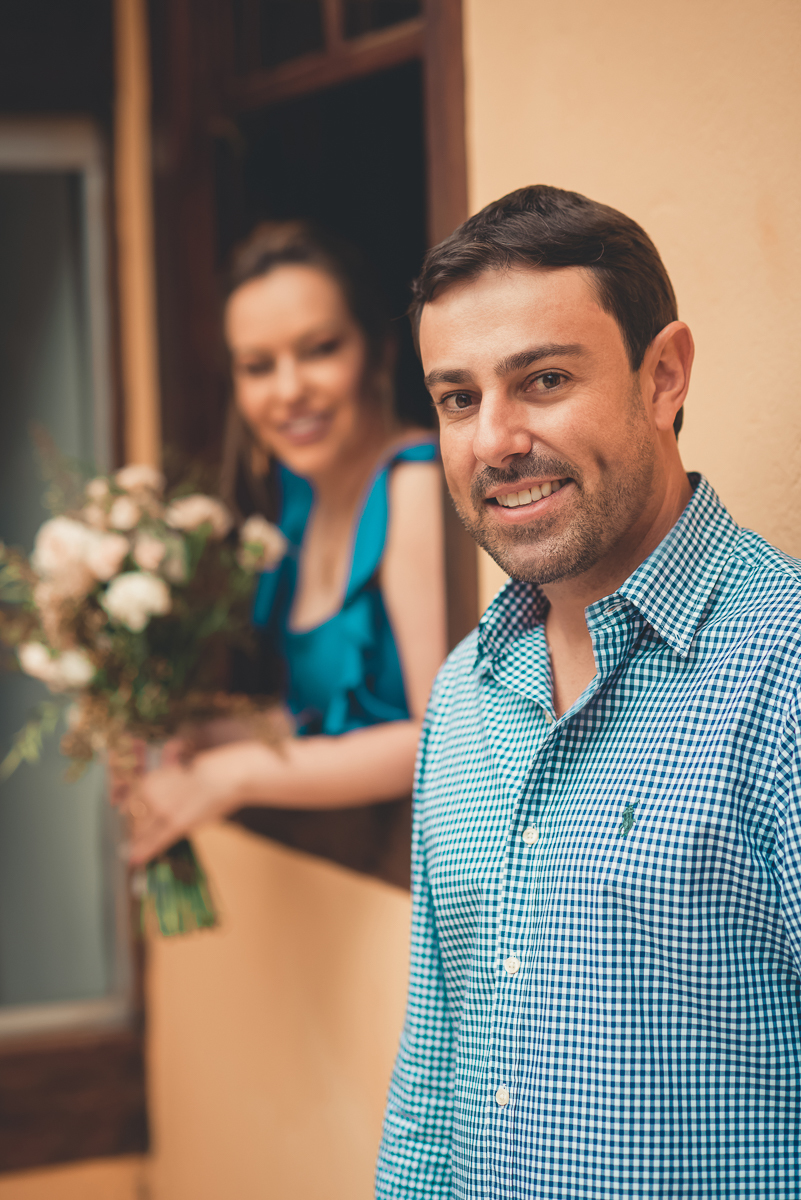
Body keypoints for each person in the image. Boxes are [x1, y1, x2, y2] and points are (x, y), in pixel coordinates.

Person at [376, 184, 801, 1197]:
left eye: (545, 379)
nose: (495, 441)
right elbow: (435, 1079)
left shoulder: (785, 677)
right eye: (459, 399)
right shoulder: (466, 697)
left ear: (664, 377)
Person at [125, 222, 446, 867]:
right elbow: (321, 720)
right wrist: (194, 742)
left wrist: (232, 777)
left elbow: (439, 739)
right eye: (257, 366)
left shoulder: (416, 485)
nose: (289, 388)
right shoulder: (300, 506)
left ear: (379, 352)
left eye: (319, 349)